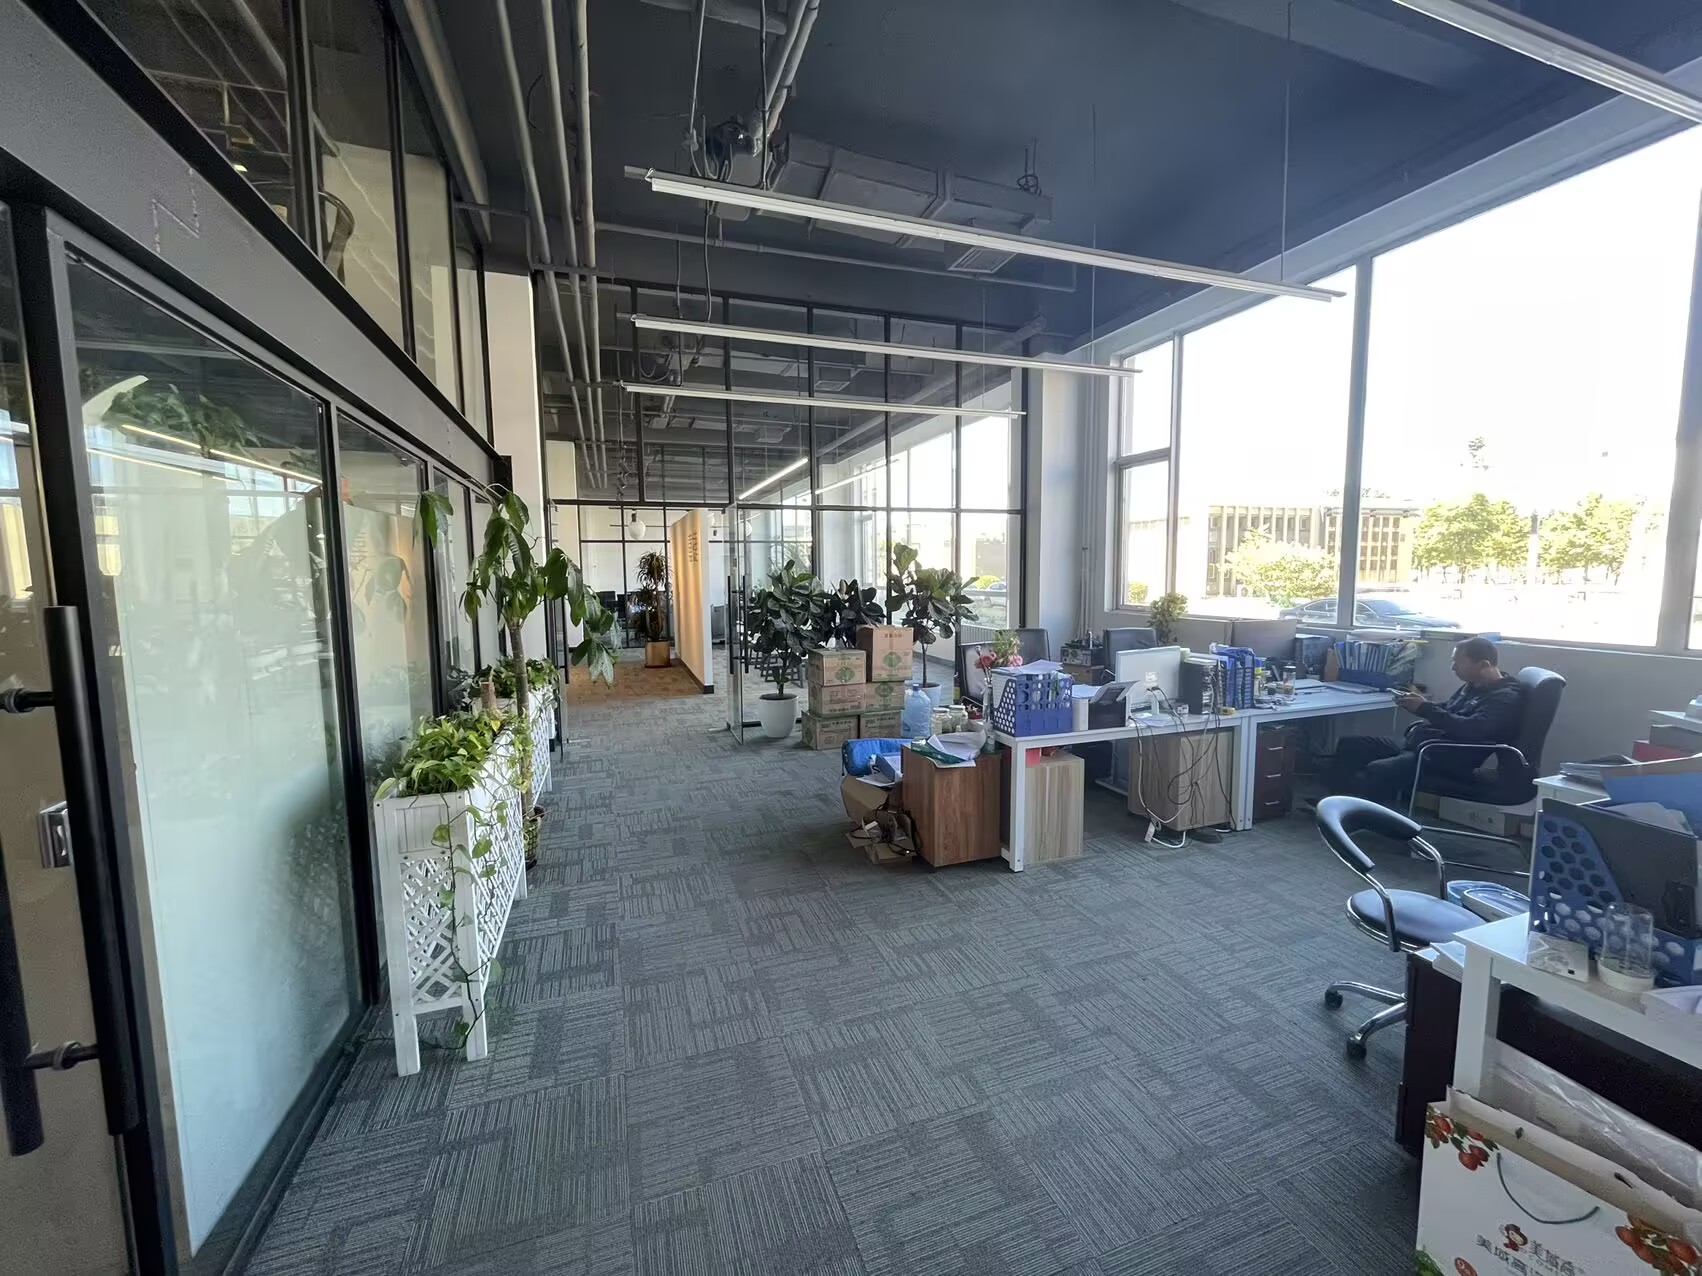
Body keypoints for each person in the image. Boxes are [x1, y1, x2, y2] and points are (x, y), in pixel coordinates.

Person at [1328, 636, 1525, 809]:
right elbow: (1450, 709)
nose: (1453, 667)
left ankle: (1369, 821)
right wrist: (1419, 703)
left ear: (1483, 665)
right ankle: (1334, 806)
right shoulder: (1474, 685)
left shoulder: (1505, 698)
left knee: (1380, 769)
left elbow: (1472, 730)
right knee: (1352, 745)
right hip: (1422, 747)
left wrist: (1425, 709)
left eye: (1457, 662)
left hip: (1442, 758)